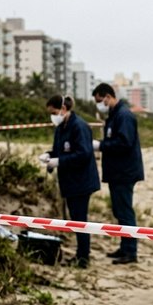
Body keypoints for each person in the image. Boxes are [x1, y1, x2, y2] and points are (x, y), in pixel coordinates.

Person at [41, 94, 100, 269]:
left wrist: (59, 161)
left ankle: (83, 257)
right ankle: (81, 253)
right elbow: (60, 150)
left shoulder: (79, 126)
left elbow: (84, 153)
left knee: (80, 219)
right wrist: (49, 156)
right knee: (75, 218)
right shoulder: (61, 127)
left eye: (53, 112)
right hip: (69, 180)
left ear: (63, 109)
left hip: (82, 181)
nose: (52, 116)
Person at [91, 83, 144, 265]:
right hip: (117, 172)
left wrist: (101, 145)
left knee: (125, 211)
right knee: (119, 211)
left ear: (107, 96)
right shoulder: (115, 115)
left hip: (125, 172)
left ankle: (130, 251)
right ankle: (125, 246)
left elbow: (124, 143)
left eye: (99, 100)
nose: (99, 104)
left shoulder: (124, 115)